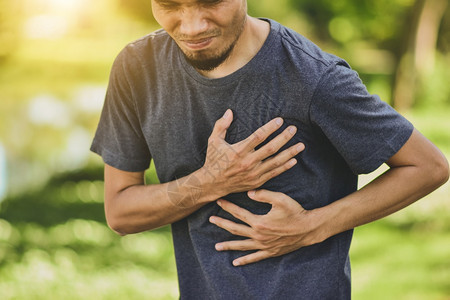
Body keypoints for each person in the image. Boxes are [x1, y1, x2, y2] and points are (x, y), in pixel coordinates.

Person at [90, 0, 449, 298]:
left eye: (210, 2)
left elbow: (428, 166)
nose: (192, 25)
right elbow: (121, 212)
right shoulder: (137, 68)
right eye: (170, 5)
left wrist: (312, 226)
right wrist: (210, 182)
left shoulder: (313, 77)